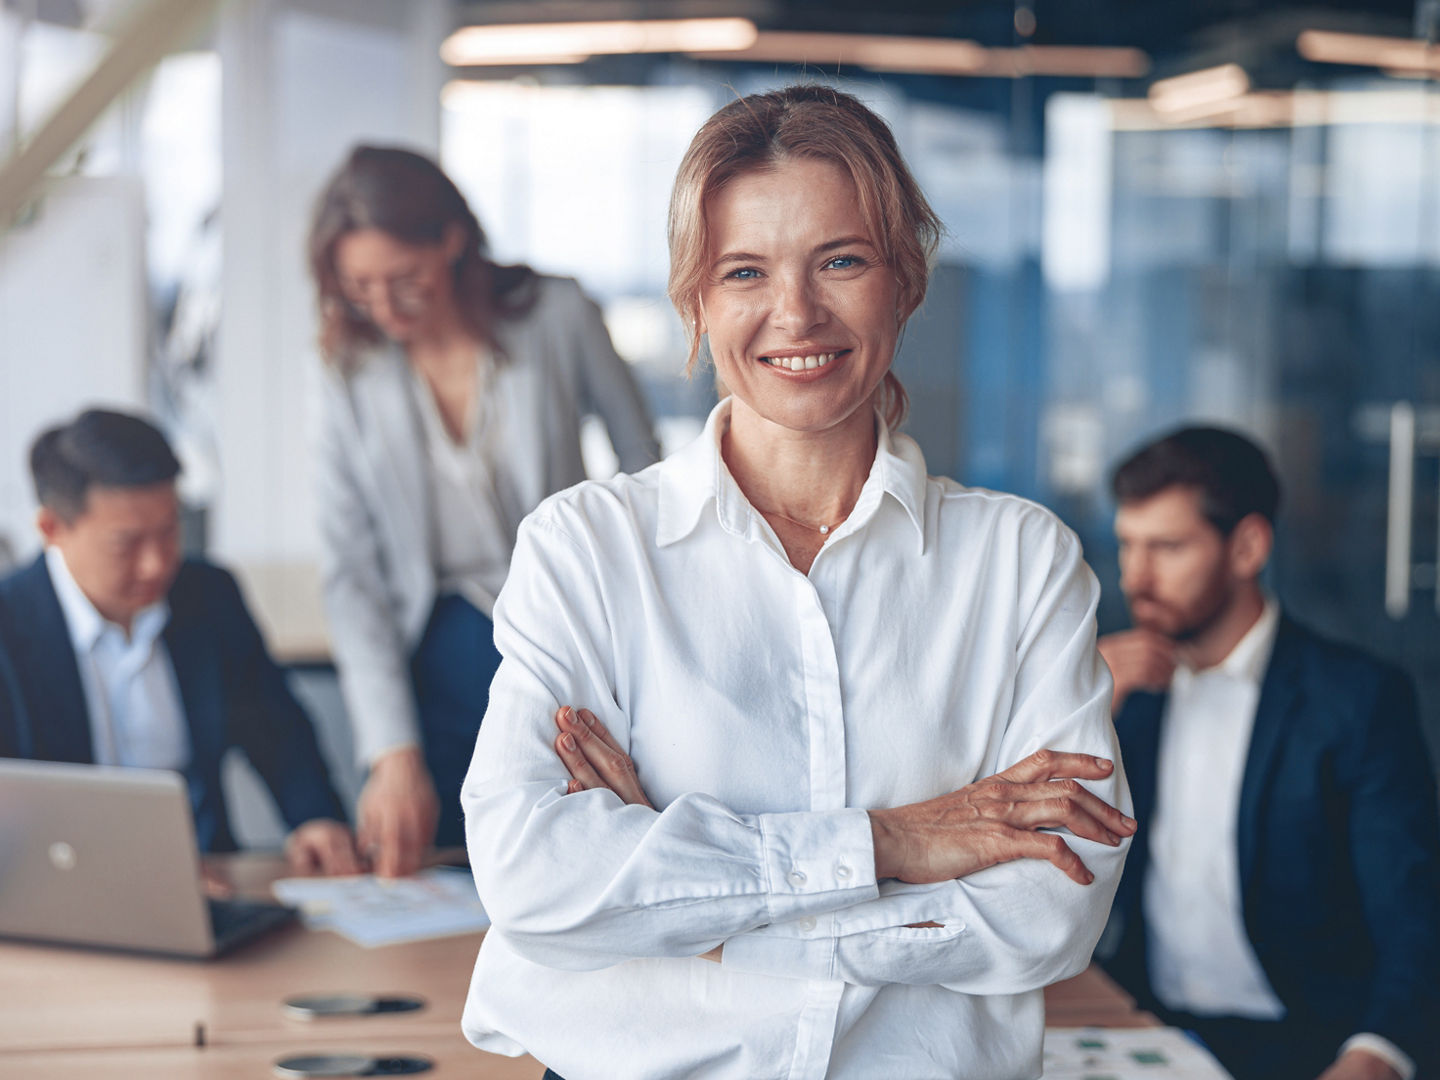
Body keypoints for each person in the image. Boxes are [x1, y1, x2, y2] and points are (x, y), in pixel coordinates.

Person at [459, 85, 1134, 1080]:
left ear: (905, 280)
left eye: (843, 261)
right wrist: (898, 843)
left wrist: (691, 905)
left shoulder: (1022, 565)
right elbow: (532, 874)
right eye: (744, 270)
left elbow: (1051, 912)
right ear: (695, 299)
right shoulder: (587, 549)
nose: (796, 312)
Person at [307, 145, 661, 876]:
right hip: (433, 646)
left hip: (563, 626)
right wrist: (390, 752)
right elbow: (351, 573)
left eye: (404, 280)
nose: (384, 307)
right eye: (360, 287)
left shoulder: (558, 314)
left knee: (571, 854)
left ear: (452, 240)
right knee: (442, 859)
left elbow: (647, 469)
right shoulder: (350, 367)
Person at [1097, 426, 1440, 1080]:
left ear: (1248, 546)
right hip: (1147, 1028)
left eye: (1167, 547)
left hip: (1309, 1046)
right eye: (1128, 546)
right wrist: (1079, 711)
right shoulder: (1120, 688)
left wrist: (1377, 1055)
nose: (1135, 577)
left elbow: (1413, 921)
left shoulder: (1358, 700)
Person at [0, 409, 358, 875]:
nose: (156, 565)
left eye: (169, 532)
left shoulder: (208, 598)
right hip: (54, 891)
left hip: (203, 878)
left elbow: (279, 732)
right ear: (51, 529)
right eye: (126, 544)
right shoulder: (10, 627)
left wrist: (315, 819)